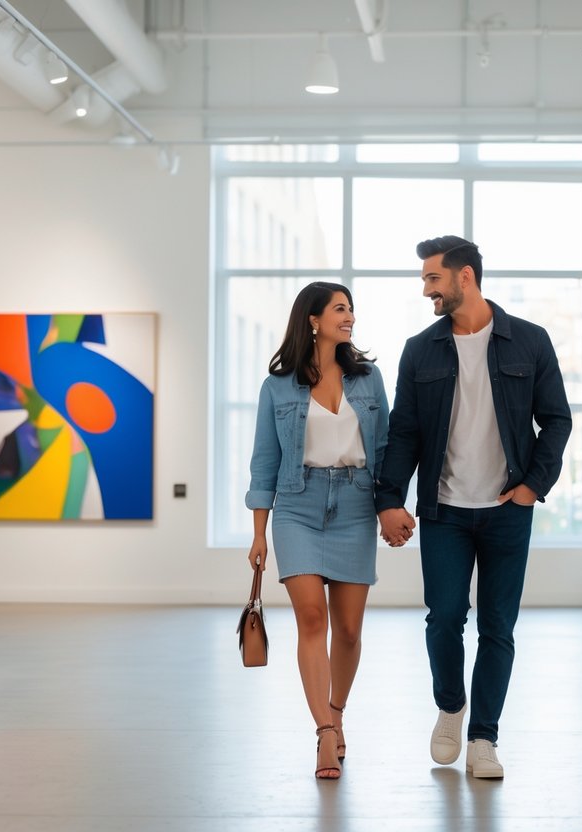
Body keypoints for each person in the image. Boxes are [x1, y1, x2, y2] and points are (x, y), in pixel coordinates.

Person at [375, 236, 572, 779]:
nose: (426, 291)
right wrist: (389, 499)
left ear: (465, 277)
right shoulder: (420, 349)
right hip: (444, 510)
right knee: (442, 620)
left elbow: (557, 418)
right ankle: (450, 707)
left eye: (431, 279)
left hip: (508, 508)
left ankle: (484, 737)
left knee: (498, 627)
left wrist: (534, 484)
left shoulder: (529, 341)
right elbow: (405, 432)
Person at [245, 281, 390, 780]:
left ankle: (338, 710)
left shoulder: (369, 380)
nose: (350, 317)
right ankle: (324, 733)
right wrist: (259, 533)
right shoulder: (277, 386)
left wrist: (391, 508)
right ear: (312, 318)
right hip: (297, 508)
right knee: (312, 618)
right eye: (340, 309)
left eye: (351, 309)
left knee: (348, 630)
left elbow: (387, 451)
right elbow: (264, 463)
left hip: (354, 506)